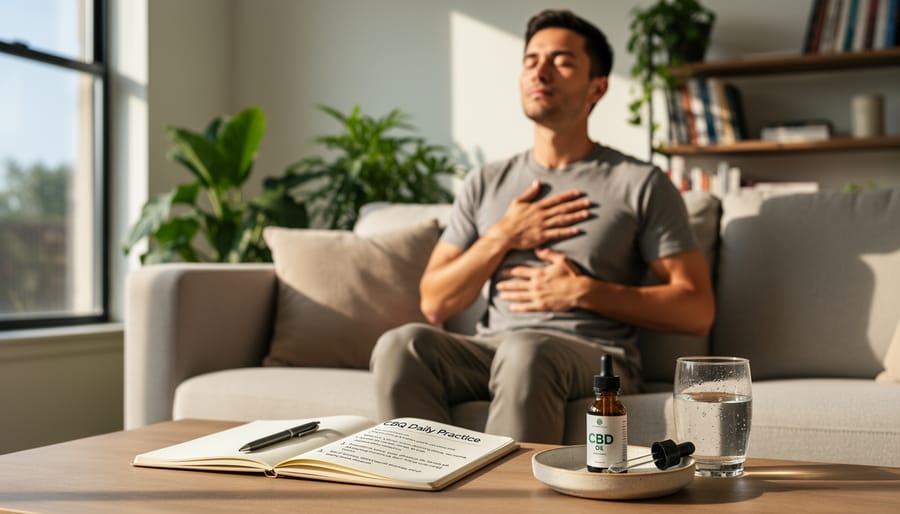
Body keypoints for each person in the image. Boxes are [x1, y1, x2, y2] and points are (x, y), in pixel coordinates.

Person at [370, 9, 715, 444]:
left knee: (527, 350)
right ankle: (419, 492)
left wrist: (584, 292)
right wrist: (502, 235)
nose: (540, 71)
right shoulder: (486, 181)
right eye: (531, 60)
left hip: (597, 359)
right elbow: (435, 301)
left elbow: (696, 309)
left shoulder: (639, 182)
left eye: (562, 61)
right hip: (494, 348)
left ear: (598, 87)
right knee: (401, 346)